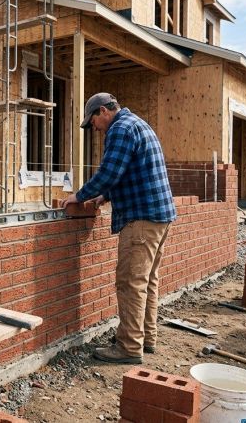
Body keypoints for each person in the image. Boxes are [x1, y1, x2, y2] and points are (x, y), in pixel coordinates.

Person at [62, 92, 176, 364]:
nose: (95, 129)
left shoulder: (120, 129)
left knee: (130, 283)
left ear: (103, 111)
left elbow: (110, 172)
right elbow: (131, 172)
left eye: (93, 123)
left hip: (141, 219)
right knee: (147, 281)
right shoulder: (137, 124)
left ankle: (128, 347)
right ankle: (145, 337)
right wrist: (105, 197)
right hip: (158, 216)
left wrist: (79, 196)